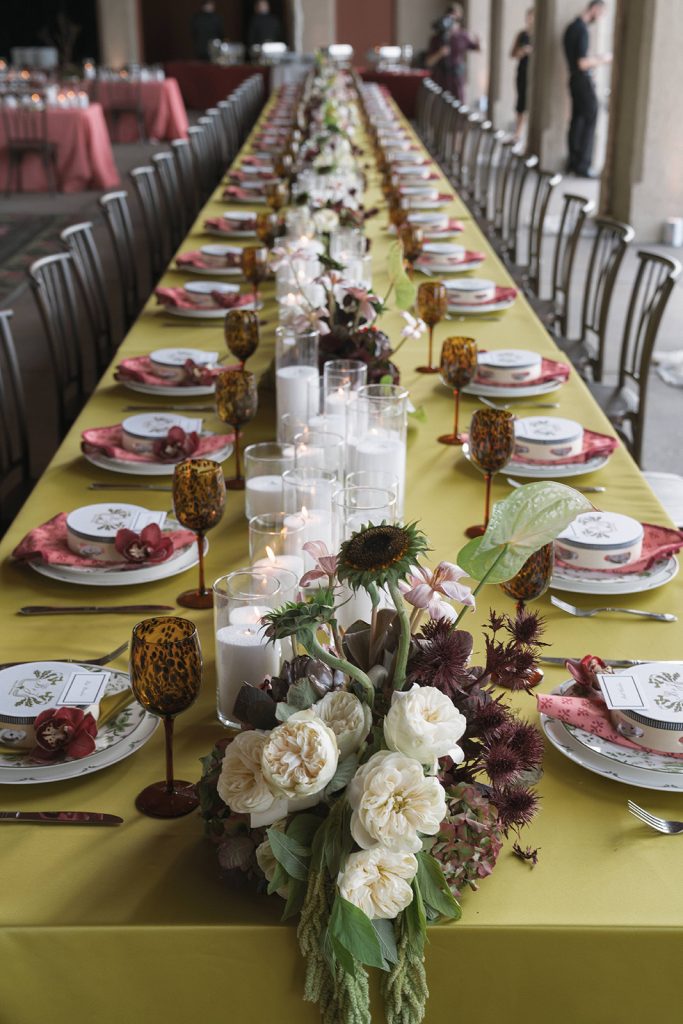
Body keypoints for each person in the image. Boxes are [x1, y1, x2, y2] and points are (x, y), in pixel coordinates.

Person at [563, 0, 612, 178]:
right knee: (590, 118)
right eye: (602, 13)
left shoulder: (571, 27)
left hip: (574, 79)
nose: (600, 18)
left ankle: (573, 161)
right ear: (595, 9)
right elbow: (582, 62)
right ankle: (582, 165)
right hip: (582, 80)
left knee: (577, 120)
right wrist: (603, 59)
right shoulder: (581, 29)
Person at [425, 4, 480, 103]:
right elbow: (428, 62)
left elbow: (478, 48)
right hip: (440, 79)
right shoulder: (436, 39)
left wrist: (478, 39)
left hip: (457, 80)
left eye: (455, 18)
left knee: (459, 106)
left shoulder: (463, 35)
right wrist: (440, 53)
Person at [510, 8, 533, 140]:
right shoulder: (522, 35)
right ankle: (518, 133)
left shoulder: (538, 37)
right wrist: (522, 51)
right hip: (522, 72)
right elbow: (513, 54)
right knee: (521, 103)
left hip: (534, 76)